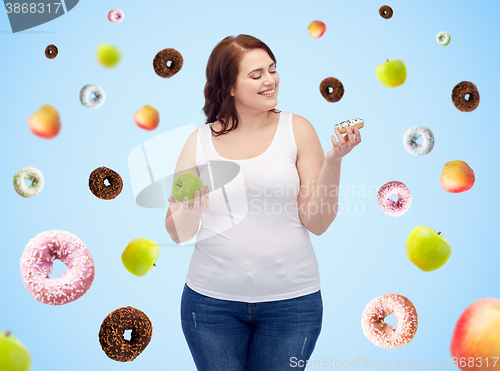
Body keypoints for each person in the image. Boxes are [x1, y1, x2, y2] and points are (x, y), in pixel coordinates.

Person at [165, 34, 361, 371]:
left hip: (293, 306)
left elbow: (317, 222)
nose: (270, 80)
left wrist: (334, 161)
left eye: (272, 70)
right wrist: (189, 209)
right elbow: (178, 232)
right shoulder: (198, 142)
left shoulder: (297, 129)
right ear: (229, 87)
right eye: (256, 75)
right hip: (210, 306)